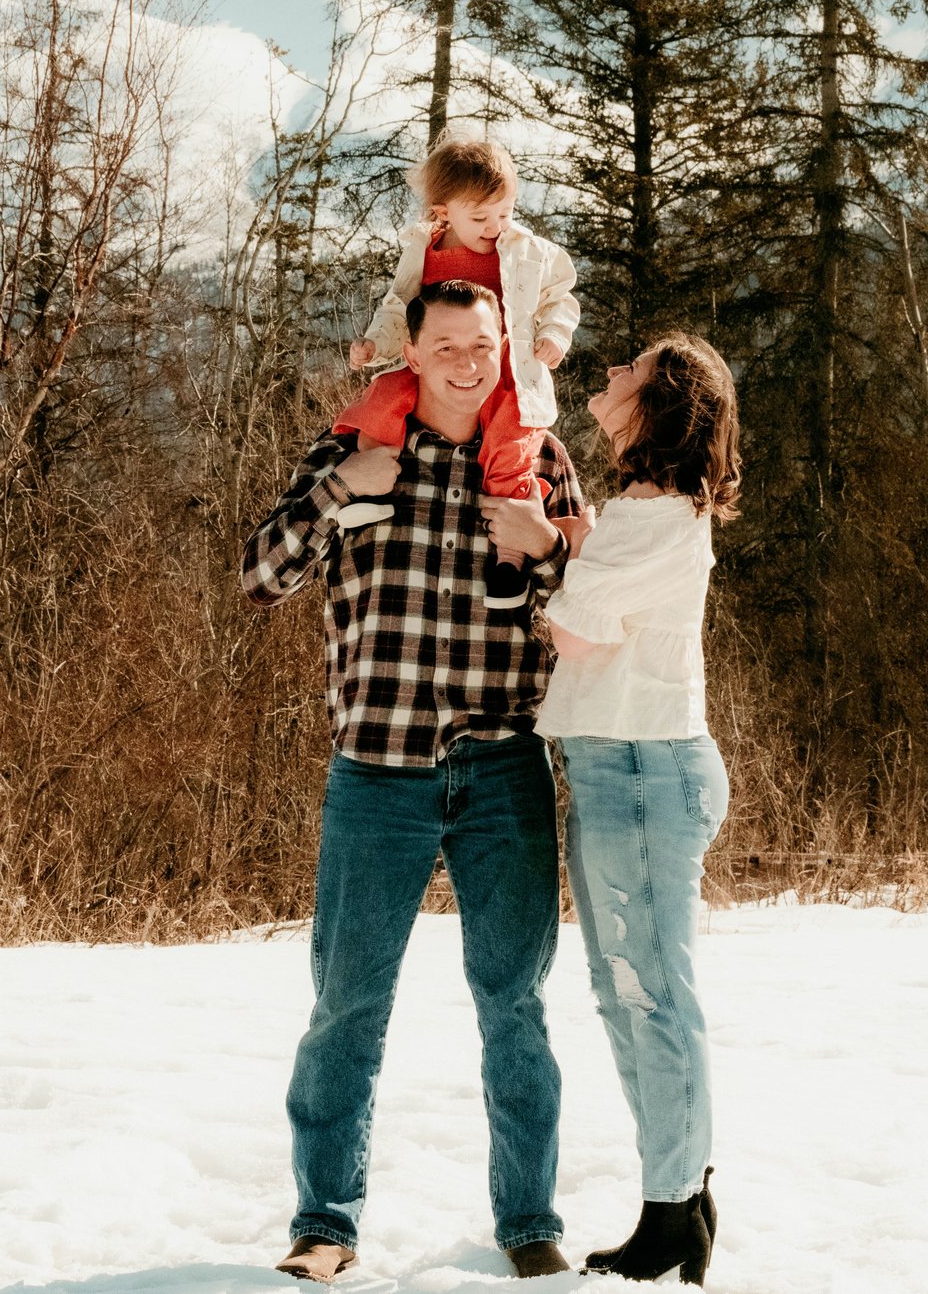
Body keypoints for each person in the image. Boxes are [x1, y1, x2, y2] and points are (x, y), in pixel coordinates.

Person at [241, 279, 589, 1283]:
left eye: (484, 341)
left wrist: (549, 547)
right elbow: (260, 572)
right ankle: (324, 1221)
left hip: (502, 765)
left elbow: (604, 598)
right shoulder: (354, 447)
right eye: (447, 341)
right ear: (413, 346)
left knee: (513, 1004)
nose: (468, 358)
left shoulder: (536, 459)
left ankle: (529, 1223)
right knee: (346, 1004)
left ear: (504, 345)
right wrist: (333, 492)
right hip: (377, 770)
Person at [535, 335, 742, 1287]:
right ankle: (679, 1194)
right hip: (615, 766)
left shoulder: (659, 517)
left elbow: (577, 631)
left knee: (652, 989)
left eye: (631, 370)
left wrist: (542, 552)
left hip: (646, 770)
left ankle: (675, 1212)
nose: (608, 376)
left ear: (658, 404)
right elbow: (597, 603)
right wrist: (574, 556)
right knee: (628, 989)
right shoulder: (638, 514)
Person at [339, 137, 578, 612]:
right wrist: (376, 344)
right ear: (443, 212)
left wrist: (553, 335)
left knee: (510, 445)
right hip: (439, 369)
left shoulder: (526, 250)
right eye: (481, 218)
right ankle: (373, 487)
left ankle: (508, 558)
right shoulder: (422, 250)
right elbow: (399, 308)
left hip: (504, 370)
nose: (495, 227)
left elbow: (559, 296)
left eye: (505, 213)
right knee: (383, 397)